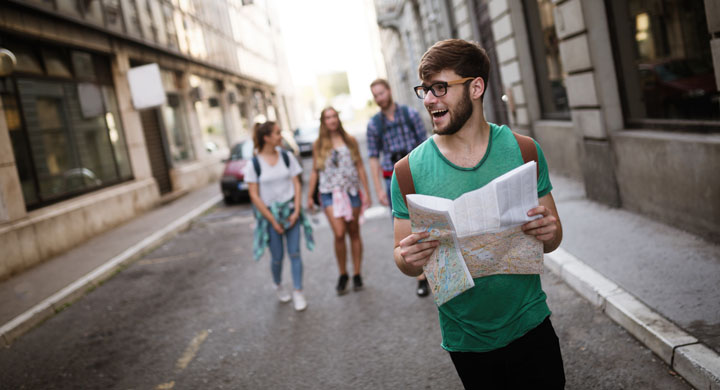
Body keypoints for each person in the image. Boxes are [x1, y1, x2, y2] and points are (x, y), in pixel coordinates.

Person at [391, 39, 565, 388]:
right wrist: (408, 258)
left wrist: (550, 232)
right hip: (466, 340)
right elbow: (404, 260)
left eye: (440, 88)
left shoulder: (524, 149)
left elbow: (554, 238)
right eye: (425, 90)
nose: (428, 100)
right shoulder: (408, 171)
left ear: (476, 87)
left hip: (531, 324)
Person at [367, 78, 431, 298]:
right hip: (391, 179)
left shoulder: (410, 114)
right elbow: (373, 157)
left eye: (381, 93)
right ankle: (421, 277)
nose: (379, 98)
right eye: (375, 95)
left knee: (427, 221)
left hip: (416, 175)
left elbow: (426, 145)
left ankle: (436, 267)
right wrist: (378, 189)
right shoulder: (374, 124)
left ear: (389, 91)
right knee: (405, 230)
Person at [245, 121, 312, 312]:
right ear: (266, 138)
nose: (280, 136)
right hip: (269, 216)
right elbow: (254, 195)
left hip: (290, 211)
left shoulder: (287, 156)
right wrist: (272, 220)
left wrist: (297, 210)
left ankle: (298, 291)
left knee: (295, 253)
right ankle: (278, 284)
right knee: (277, 257)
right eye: (277, 133)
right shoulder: (254, 164)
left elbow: (297, 183)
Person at [307, 107, 371, 295]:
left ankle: (357, 274)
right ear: (323, 121)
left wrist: (366, 191)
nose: (332, 120)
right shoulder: (318, 144)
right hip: (329, 194)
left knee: (354, 232)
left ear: (338, 119)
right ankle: (343, 273)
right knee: (339, 233)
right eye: (328, 117)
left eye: (334, 116)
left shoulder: (349, 140)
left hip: (351, 192)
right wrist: (310, 196)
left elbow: (359, 165)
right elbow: (314, 170)